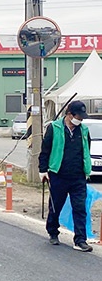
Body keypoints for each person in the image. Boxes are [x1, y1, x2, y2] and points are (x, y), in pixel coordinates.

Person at [39, 100, 92, 252]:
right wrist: (43, 170)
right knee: (56, 206)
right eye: (78, 117)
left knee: (80, 208)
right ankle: (53, 232)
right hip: (58, 175)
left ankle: (80, 240)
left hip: (78, 176)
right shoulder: (54, 128)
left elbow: (86, 149)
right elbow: (45, 150)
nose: (80, 120)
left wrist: (86, 168)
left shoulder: (84, 130)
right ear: (69, 115)